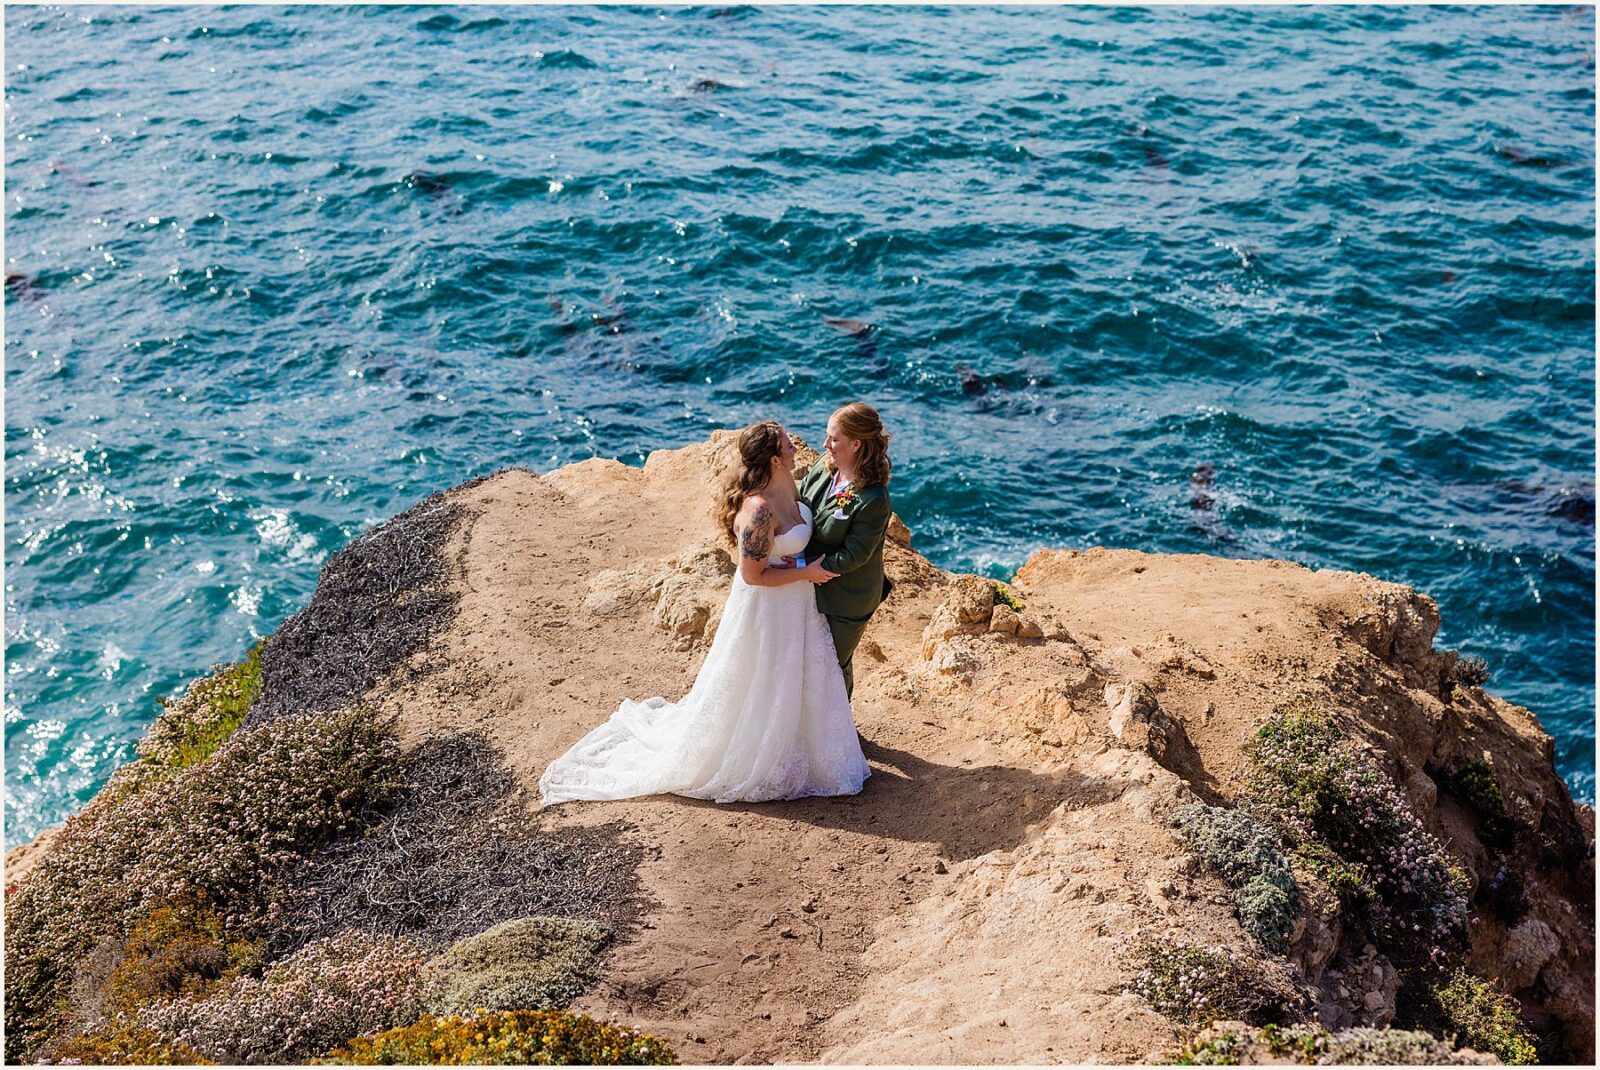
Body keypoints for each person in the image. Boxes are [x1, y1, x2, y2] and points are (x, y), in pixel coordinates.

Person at [537, 420, 871, 806]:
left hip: (797, 605)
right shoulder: (758, 510)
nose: (796, 449)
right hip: (768, 609)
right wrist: (807, 573)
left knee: (793, 675)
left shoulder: (788, 486)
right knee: (763, 678)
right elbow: (752, 575)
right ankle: (760, 755)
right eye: (787, 446)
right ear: (775, 459)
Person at [791, 402, 895, 701]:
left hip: (848, 597)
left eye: (834, 439)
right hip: (812, 580)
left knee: (833, 663)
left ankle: (840, 731)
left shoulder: (873, 499)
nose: (826, 444)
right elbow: (802, 504)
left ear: (856, 444)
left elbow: (854, 555)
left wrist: (801, 566)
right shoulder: (826, 467)